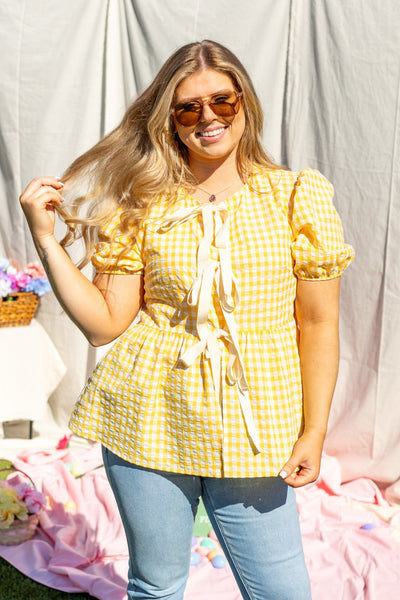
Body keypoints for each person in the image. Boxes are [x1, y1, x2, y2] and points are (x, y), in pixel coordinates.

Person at [20, 40, 354, 600]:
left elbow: (318, 325)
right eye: (188, 108)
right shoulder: (142, 200)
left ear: (244, 101)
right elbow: (104, 324)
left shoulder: (297, 195)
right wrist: (44, 238)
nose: (208, 118)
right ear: (170, 121)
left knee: (283, 592)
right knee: (156, 585)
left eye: (221, 101)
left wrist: (314, 431)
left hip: (257, 425)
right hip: (148, 415)